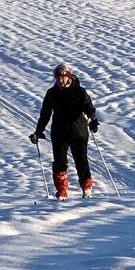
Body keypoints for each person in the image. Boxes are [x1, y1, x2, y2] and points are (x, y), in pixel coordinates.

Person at [29, 63, 99, 199]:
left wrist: (91, 120)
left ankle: (87, 188)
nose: (60, 80)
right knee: (59, 162)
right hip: (59, 132)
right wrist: (38, 131)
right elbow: (45, 114)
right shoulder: (52, 93)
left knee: (81, 161)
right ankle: (61, 191)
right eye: (57, 78)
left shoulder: (80, 92)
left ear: (68, 77)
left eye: (62, 77)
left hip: (78, 131)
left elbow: (89, 108)